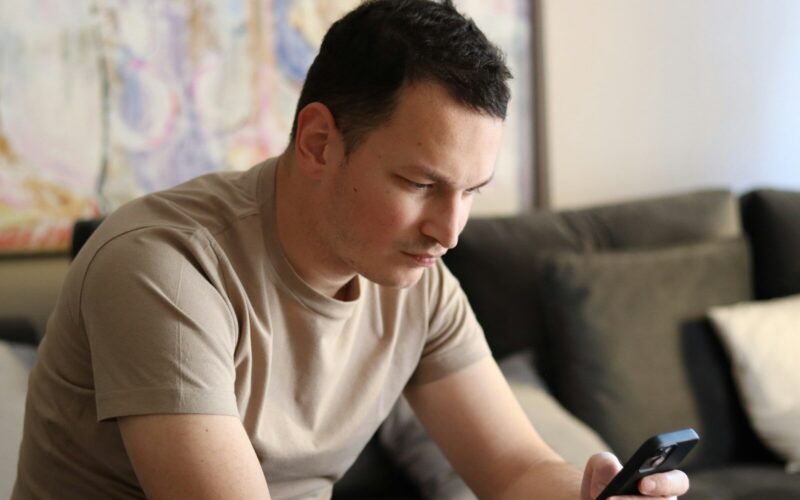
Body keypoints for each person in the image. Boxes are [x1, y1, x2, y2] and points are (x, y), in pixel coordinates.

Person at [13, 1, 690, 499]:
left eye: (471, 191)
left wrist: (589, 496)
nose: (449, 231)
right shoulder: (164, 265)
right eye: (420, 183)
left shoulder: (418, 284)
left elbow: (514, 468)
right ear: (317, 143)